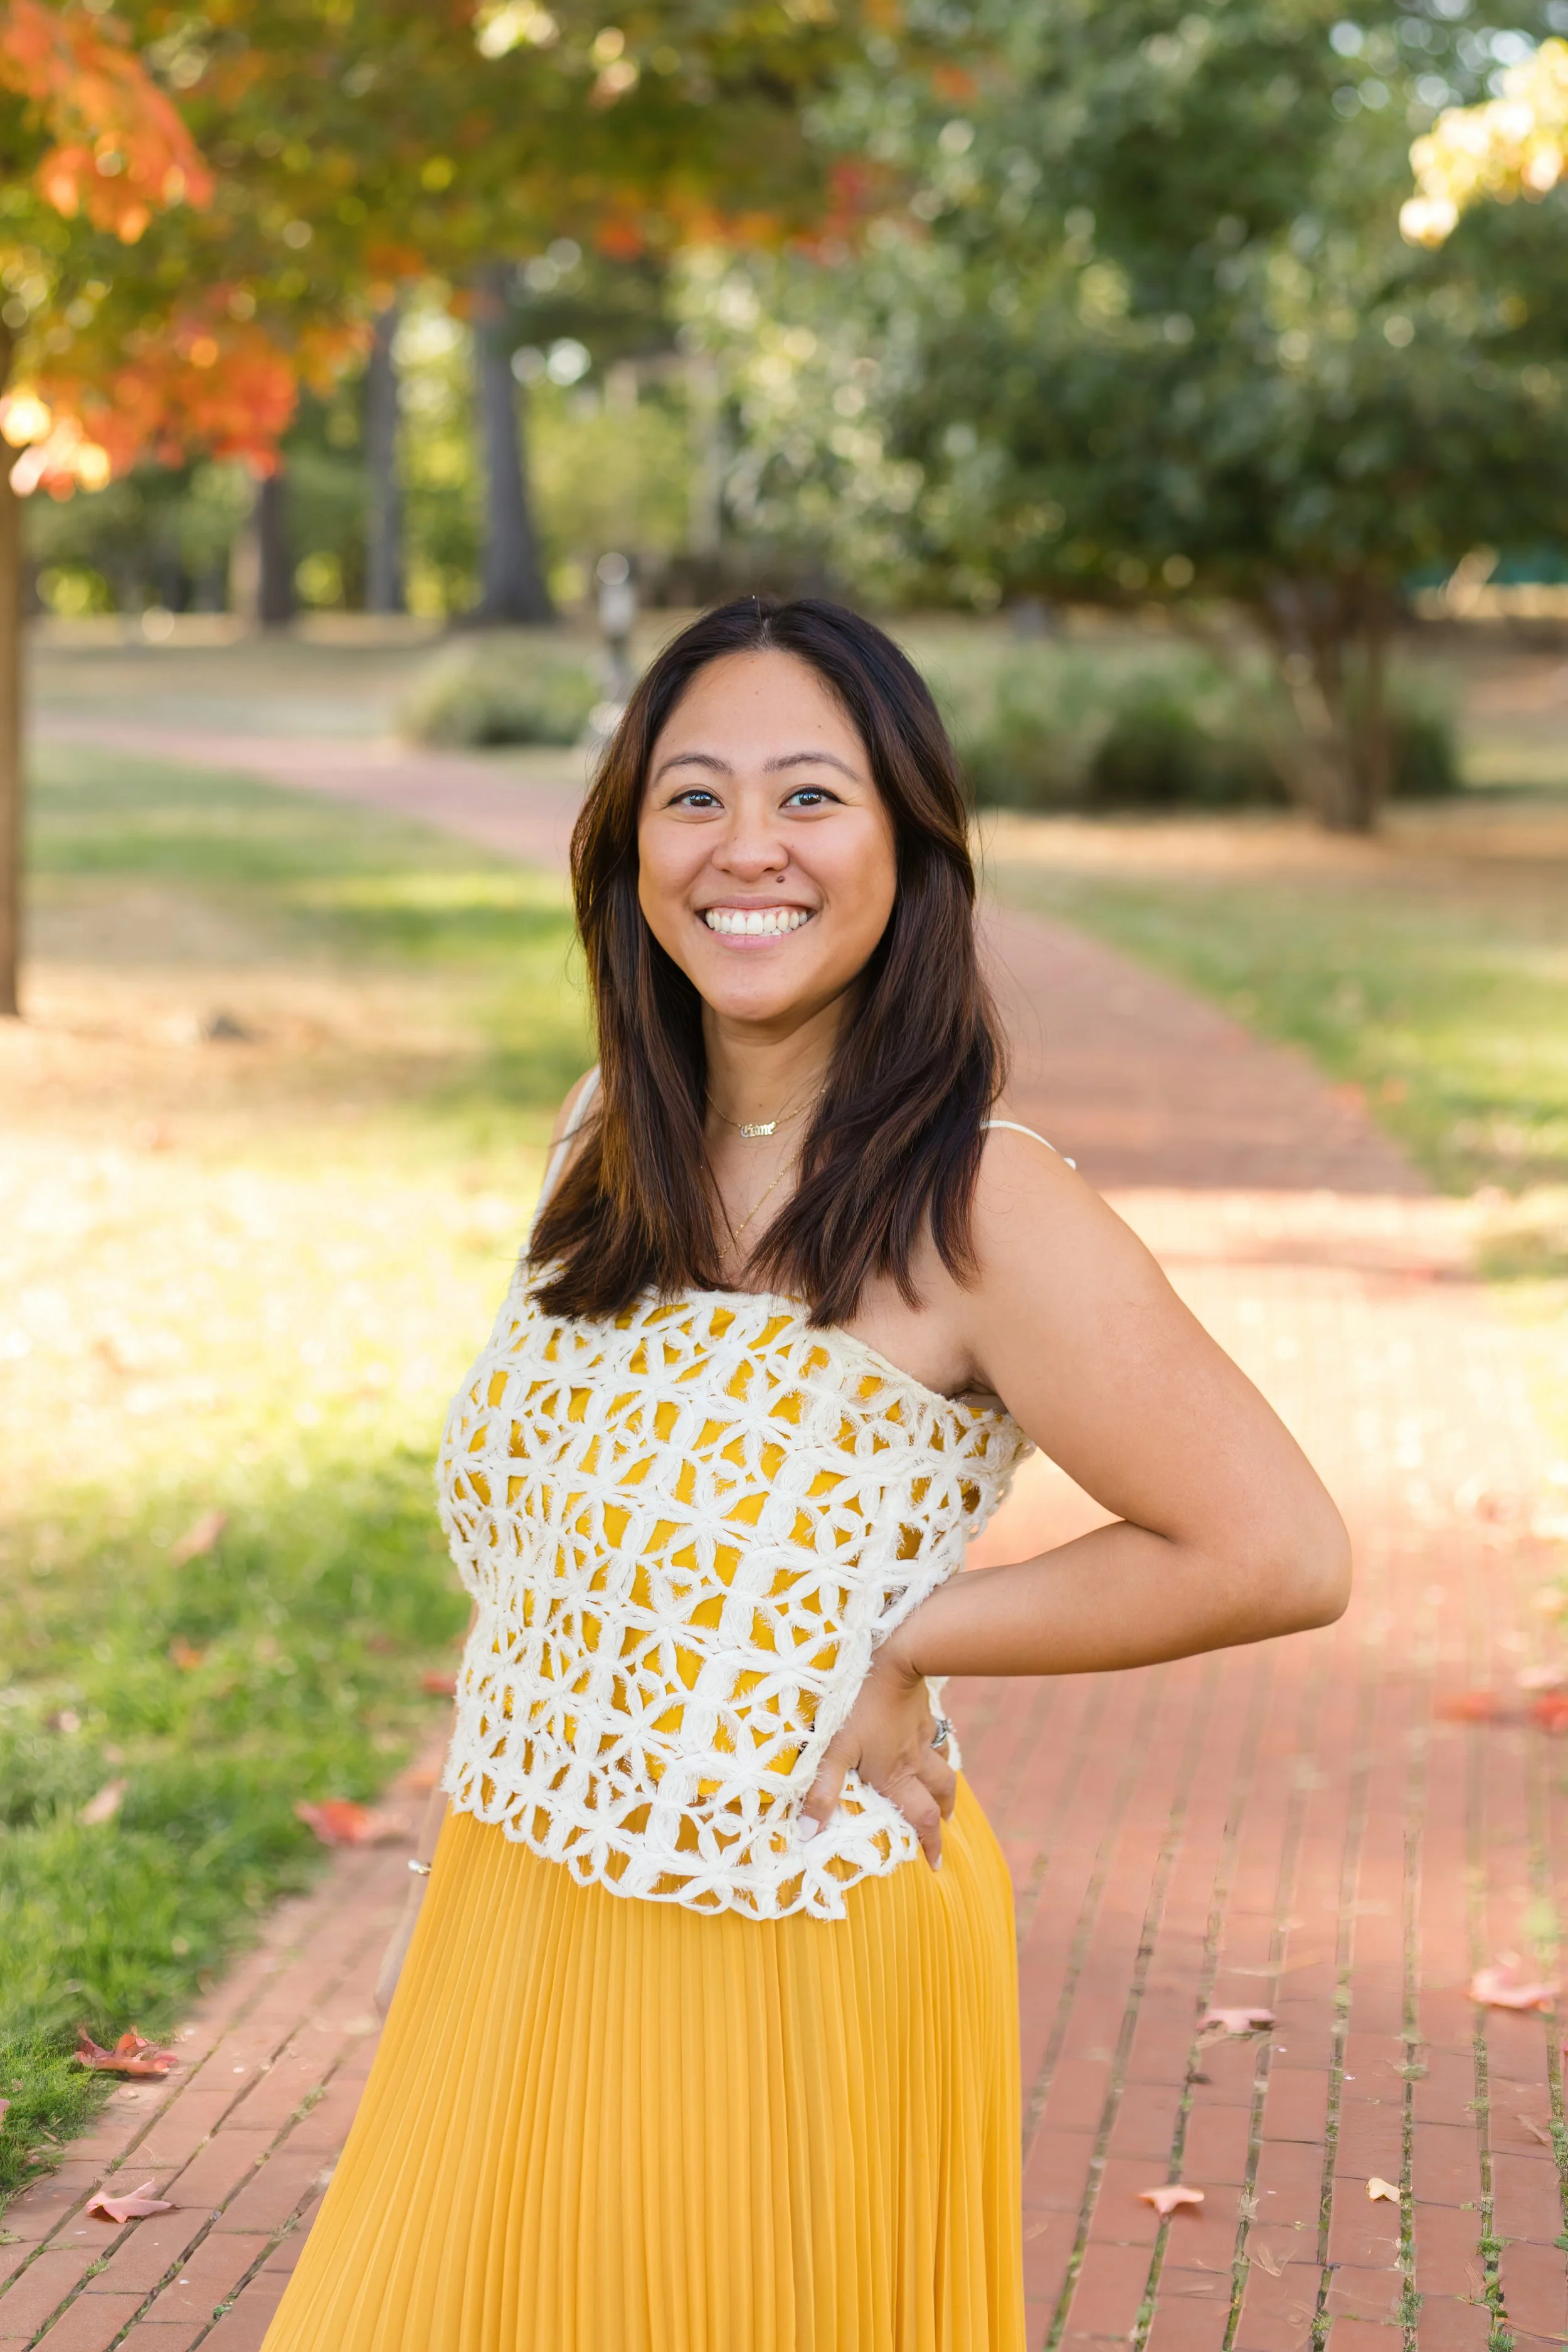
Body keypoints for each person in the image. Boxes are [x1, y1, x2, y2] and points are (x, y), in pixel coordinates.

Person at [260, 596, 1349, 2352]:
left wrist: (915, 1644)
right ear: (626, 852)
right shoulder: (599, 1132)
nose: (743, 847)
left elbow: (1272, 1545)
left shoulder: (981, 1204)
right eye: (690, 797)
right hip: (521, 1899)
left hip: (780, 1937)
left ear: (911, 846)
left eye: (808, 797)